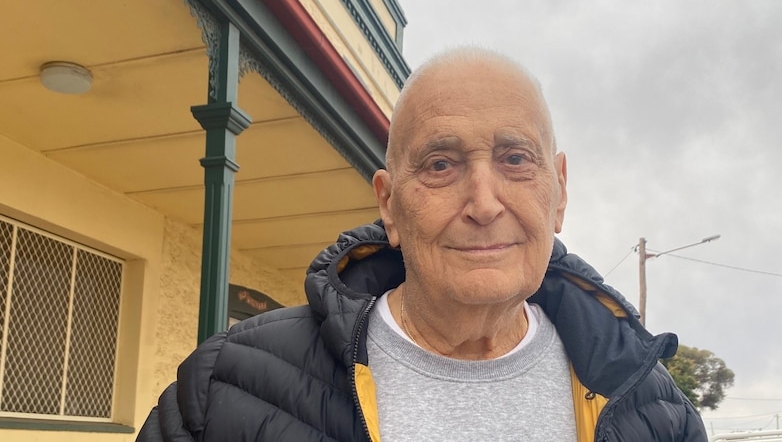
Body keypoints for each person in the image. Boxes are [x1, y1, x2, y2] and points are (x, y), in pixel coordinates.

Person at [136, 47, 707, 441]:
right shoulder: (224, 387)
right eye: (440, 164)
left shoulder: (651, 408)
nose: (484, 204)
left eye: (515, 159)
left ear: (559, 193)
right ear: (390, 205)